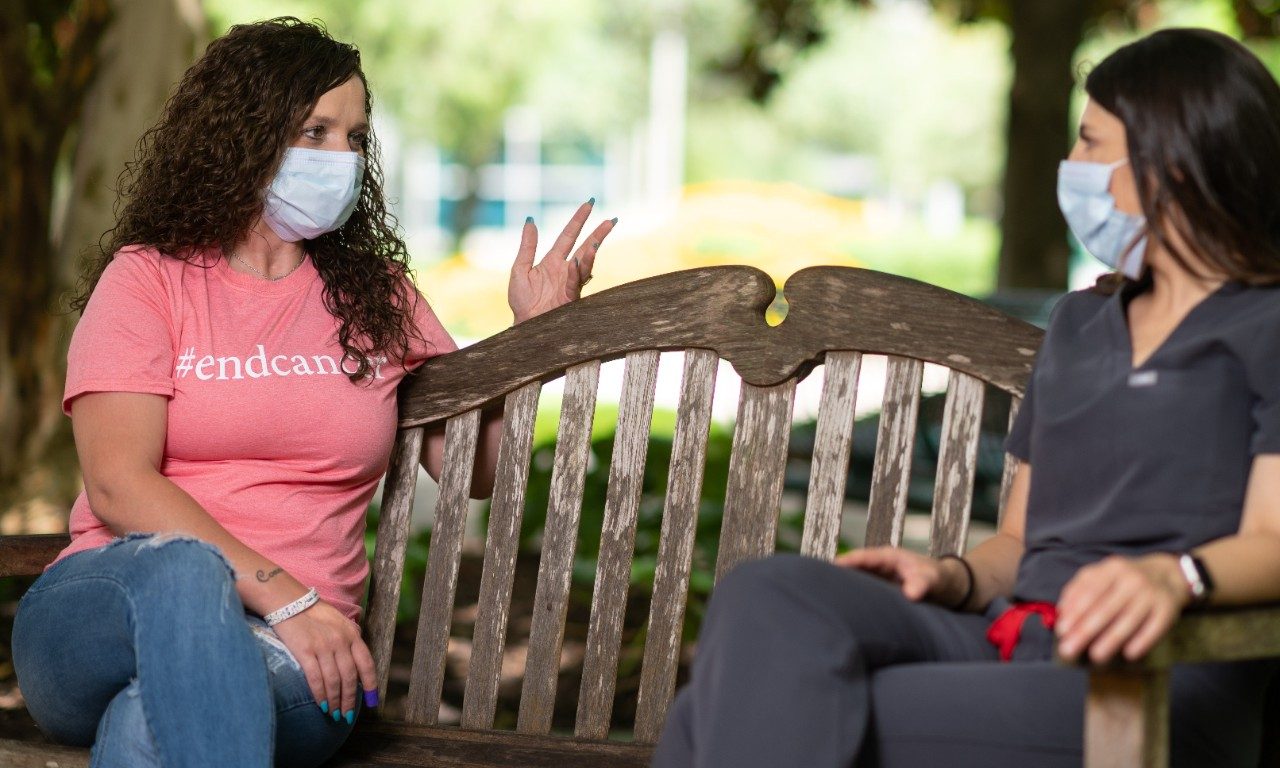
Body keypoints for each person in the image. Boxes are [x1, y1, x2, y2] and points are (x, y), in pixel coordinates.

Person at [651, 27, 1280, 768]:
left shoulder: (1265, 324)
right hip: (1013, 635)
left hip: (1155, 671)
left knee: (714, 720)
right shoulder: (1081, 326)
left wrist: (1173, 576)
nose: (1069, 165)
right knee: (769, 593)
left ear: (1170, 165)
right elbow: (1020, 542)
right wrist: (950, 575)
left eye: (1089, 142)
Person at [10, 17, 616, 768]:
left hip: (299, 662)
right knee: (183, 566)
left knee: (147, 726)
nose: (342, 158)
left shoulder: (376, 297)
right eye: (315, 131)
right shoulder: (147, 280)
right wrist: (290, 600)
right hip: (101, 620)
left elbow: (479, 469)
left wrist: (536, 340)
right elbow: (117, 483)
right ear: (242, 135)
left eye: (356, 138)